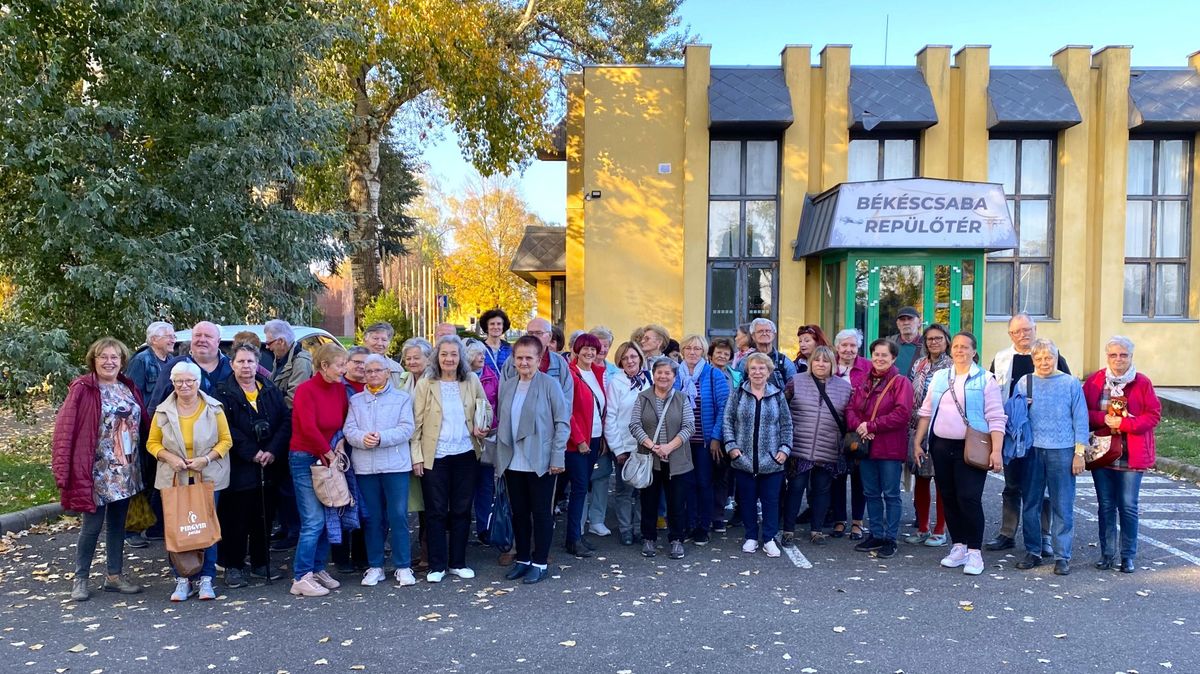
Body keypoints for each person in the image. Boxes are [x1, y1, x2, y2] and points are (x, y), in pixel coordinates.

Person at [53, 337, 147, 601]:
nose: (109, 362)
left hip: (126, 470)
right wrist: (63, 469)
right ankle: (80, 579)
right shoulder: (83, 388)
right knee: (91, 526)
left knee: (118, 525)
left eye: (114, 357)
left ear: (122, 361)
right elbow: (65, 429)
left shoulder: (128, 387)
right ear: (93, 361)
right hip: (96, 470)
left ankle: (114, 577)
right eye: (103, 357)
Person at [911, 332, 1006, 576]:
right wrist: (918, 441)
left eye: (965, 347)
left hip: (972, 447)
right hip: (941, 445)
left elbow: (996, 417)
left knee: (969, 498)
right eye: (956, 347)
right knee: (948, 496)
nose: (960, 351)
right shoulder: (941, 376)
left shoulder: (986, 379)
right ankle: (958, 546)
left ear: (974, 351)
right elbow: (926, 410)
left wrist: (996, 451)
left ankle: (975, 552)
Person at [147, 361, 233, 602]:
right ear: (172, 383)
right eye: (178, 381)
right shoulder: (162, 411)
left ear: (198, 383)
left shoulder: (214, 408)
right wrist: (170, 458)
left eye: (189, 381)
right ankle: (182, 578)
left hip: (206, 476)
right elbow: (152, 443)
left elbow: (226, 441)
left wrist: (206, 459)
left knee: (207, 529)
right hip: (174, 476)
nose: (184, 385)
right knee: (178, 528)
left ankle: (206, 579)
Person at [985, 313, 1067, 553]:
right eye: (1017, 331)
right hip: (1012, 432)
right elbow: (992, 394)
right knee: (1011, 485)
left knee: (1043, 489)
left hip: (1045, 433)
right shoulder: (1001, 358)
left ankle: (1044, 537)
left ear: (1035, 329)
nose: (1023, 335)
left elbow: (1066, 387)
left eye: (1027, 330)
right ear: (1010, 334)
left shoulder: (1051, 355)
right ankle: (1007, 532)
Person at [411, 336, 490, 583]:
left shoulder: (471, 380)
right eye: (444, 354)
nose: (449, 359)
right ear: (437, 357)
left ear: (460, 358)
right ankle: (437, 565)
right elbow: (416, 422)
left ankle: (458, 562)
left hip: (466, 453)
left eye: (454, 354)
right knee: (435, 511)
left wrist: (483, 427)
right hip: (435, 455)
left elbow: (484, 408)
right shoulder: (426, 383)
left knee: (461, 510)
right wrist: (417, 457)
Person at [493, 335, 570, 584]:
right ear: (513, 360)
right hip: (512, 460)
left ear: (539, 359)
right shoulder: (508, 385)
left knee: (541, 514)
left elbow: (562, 422)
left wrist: (557, 456)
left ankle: (539, 562)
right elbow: (503, 420)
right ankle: (523, 559)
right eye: (519, 358)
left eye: (529, 357)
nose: (524, 362)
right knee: (519, 513)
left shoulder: (549, 385)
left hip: (541, 460)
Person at [1083, 336, 1161, 574]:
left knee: (1128, 505)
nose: (1118, 359)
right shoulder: (1095, 380)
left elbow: (1153, 415)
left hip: (1131, 454)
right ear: (1107, 357)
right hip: (1103, 453)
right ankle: (1107, 554)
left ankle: (1127, 556)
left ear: (1131, 357)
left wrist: (1126, 424)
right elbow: (1082, 411)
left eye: (1123, 355)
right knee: (1106, 505)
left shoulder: (1142, 382)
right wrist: (1103, 418)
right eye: (1113, 355)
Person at [214, 344, 291, 587]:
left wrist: (271, 450)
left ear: (257, 364)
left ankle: (261, 562)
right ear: (232, 364)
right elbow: (224, 427)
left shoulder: (269, 388)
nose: (246, 366)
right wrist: (252, 452)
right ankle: (234, 566)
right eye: (241, 362)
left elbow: (285, 421)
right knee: (236, 519)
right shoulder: (222, 392)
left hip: (269, 463)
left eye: (250, 362)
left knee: (264, 517)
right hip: (239, 466)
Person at [1012, 338, 1089, 576]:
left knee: (1062, 505)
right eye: (1039, 358)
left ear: (1056, 358)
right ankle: (1033, 551)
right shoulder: (1026, 383)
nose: (1044, 362)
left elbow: (1081, 419)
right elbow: (1013, 415)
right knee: (1031, 504)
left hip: (1063, 450)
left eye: (1049, 358)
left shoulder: (1070, 383)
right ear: (1032, 360)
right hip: (1033, 450)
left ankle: (1062, 555)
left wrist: (1079, 453)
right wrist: (1022, 405)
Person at [344, 354, 418, 587]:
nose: (373, 374)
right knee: (373, 518)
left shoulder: (401, 398)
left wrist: (382, 438)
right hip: (366, 467)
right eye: (368, 371)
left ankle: (403, 566)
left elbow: (407, 428)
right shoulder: (356, 401)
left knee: (398, 516)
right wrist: (361, 438)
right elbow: (349, 428)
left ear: (388, 372)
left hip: (395, 465)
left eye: (378, 370)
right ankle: (375, 566)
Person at [287, 343, 350, 597]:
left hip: (329, 456)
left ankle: (316, 568)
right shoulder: (305, 390)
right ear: (324, 366)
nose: (344, 370)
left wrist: (337, 447)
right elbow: (308, 427)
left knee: (327, 517)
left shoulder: (338, 389)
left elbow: (342, 420)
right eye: (340, 365)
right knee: (313, 520)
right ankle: (301, 576)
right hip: (306, 458)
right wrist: (327, 451)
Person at [846, 339, 915, 559]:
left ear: (893, 358)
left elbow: (902, 413)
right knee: (871, 493)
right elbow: (850, 408)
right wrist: (860, 426)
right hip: (867, 447)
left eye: (884, 355)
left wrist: (872, 425)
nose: (879, 358)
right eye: (876, 354)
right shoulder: (865, 381)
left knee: (891, 494)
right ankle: (876, 534)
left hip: (889, 448)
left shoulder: (900, 382)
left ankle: (890, 538)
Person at [723, 352, 791, 557]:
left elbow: (787, 425)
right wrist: (731, 447)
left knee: (771, 501)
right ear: (748, 371)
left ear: (769, 371)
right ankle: (751, 536)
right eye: (753, 368)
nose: (758, 372)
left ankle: (769, 538)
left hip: (772, 460)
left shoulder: (777, 395)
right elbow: (727, 421)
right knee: (747, 500)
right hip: (743, 459)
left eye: (762, 368)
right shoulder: (738, 394)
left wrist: (784, 450)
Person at [782, 346, 851, 547]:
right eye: (817, 360)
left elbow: (848, 418)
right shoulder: (796, 382)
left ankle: (817, 530)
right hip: (799, 446)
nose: (821, 364)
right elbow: (782, 411)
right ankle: (788, 530)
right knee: (795, 488)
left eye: (826, 361)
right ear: (811, 362)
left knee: (822, 490)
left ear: (833, 364)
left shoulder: (844, 388)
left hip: (828, 446)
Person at [630, 357, 695, 560]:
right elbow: (634, 425)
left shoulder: (682, 398)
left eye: (668, 373)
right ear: (654, 374)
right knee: (648, 501)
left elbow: (689, 427)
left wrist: (668, 447)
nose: (663, 376)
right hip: (650, 459)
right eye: (659, 372)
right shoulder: (643, 397)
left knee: (677, 503)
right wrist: (653, 446)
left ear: (674, 377)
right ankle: (648, 538)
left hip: (677, 460)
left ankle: (677, 540)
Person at [123, 321, 175, 548]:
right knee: (139, 478)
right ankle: (131, 530)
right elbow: (130, 397)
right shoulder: (141, 361)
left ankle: (154, 526)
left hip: (164, 429)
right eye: (168, 336)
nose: (173, 340)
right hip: (142, 430)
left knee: (157, 479)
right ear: (154, 339)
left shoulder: (171, 362)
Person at [677, 334, 730, 545]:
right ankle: (690, 524)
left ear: (703, 352)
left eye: (697, 349)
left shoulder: (713, 375)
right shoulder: (676, 374)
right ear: (682, 351)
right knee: (686, 484)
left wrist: (717, 437)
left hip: (706, 441)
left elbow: (724, 408)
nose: (692, 352)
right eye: (688, 348)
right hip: (682, 441)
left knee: (704, 483)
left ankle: (703, 526)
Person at [905, 324, 953, 547]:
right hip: (917, 428)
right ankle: (923, 527)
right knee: (921, 478)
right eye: (930, 339)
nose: (934, 342)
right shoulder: (919, 364)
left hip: (942, 428)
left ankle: (940, 529)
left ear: (946, 340)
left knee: (942, 479)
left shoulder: (952, 365)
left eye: (938, 338)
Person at [603, 342, 650, 545]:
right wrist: (618, 449)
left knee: (644, 490)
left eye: (633, 356)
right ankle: (626, 530)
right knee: (624, 491)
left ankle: (641, 528)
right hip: (624, 445)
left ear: (640, 357)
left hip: (646, 445)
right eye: (625, 358)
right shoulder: (616, 382)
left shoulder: (649, 379)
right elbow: (611, 417)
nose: (630, 361)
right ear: (620, 361)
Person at [564, 333, 608, 557]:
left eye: (594, 349)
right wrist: (579, 440)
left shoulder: (598, 373)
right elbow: (567, 411)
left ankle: (576, 536)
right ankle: (573, 538)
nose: (590, 352)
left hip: (594, 439)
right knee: (579, 489)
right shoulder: (571, 374)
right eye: (586, 348)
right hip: (576, 443)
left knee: (584, 488)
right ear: (577, 350)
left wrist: (600, 439)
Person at [830, 328, 870, 539]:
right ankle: (839, 520)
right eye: (844, 345)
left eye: (852, 345)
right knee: (836, 476)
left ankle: (857, 521)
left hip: (859, 430)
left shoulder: (868, 367)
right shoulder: (830, 366)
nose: (848, 349)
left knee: (859, 477)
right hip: (833, 428)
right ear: (837, 347)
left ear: (858, 348)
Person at [148, 321, 232, 410]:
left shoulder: (233, 367)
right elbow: (156, 407)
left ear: (218, 341)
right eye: (198, 335)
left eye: (208, 336)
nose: (202, 340)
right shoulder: (174, 366)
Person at [465, 339, 500, 546]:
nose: (483, 358)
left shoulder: (490, 375)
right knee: (465, 485)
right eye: (479, 355)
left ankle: (484, 527)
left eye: (484, 355)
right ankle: (462, 524)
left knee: (486, 484)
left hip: (488, 435)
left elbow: (498, 401)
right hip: (467, 438)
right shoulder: (461, 378)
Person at [707, 336, 740, 531]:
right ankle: (704, 514)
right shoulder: (705, 373)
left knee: (722, 476)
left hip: (730, 432)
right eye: (718, 352)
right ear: (711, 354)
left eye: (726, 353)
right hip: (707, 432)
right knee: (705, 477)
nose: (722, 356)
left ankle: (718, 516)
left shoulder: (735, 376)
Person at [737, 318, 797, 392]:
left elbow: (794, 388)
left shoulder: (784, 362)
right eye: (760, 331)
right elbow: (737, 387)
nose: (764, 334)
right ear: (753, 336)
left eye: (768, 331)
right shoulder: (745, 361)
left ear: (774, 335)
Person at [264, 319, 313, 409]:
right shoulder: (280, 357)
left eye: (269, 343)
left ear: (281, 341)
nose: (267, 347)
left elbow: (294, 399)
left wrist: (268, 408)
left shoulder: (301, 362)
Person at [363, 321, 406, 389]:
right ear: (365, 340)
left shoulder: (397, 369)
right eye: (375, 339)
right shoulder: (355, 367)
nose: (380, 343)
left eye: (384, 340)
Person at [885, 306, 925, 379]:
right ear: (897, 324)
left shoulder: (928, 344)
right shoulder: (888, 344)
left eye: (910, 319)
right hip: (893, 388)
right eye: (902, 320)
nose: (906, 323)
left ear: (919, 322)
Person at [478, 308, 512, 378]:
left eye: (499, 324)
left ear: (503, 327)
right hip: (483, 387)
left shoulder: (509, 349)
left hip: (504, 387)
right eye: (492, 324)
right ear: (487, 327)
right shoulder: (478, 348)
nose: (496, 327)